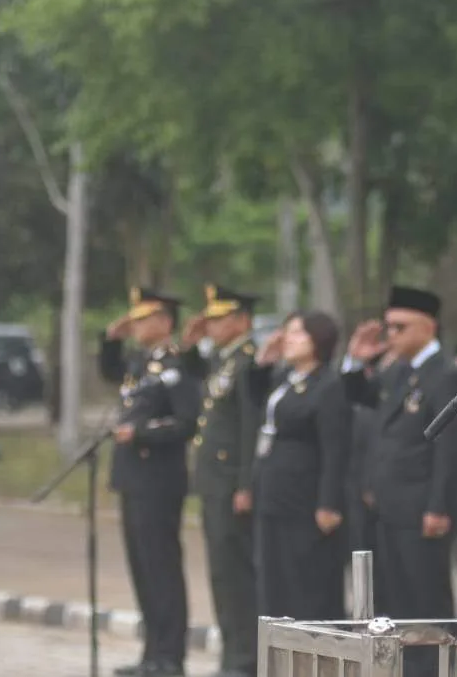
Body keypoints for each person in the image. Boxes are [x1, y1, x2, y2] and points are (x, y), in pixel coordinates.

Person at [342, 286, 457, 677]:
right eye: (388, 326)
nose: (390, 334)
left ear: (428, 326)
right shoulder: (397, 371)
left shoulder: (444, 374)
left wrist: (438, 506)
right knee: (393, 597)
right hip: (387, 505)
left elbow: (449, 449)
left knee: (425, 597)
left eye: (400, 327)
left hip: (420, 507)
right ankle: (404, 668)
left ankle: (434, 669)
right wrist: (355, 361)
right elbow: (361, 400)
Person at [99, 287, 202, 677]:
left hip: (159, 480)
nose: (137, 325)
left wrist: (140, 433)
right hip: (132, 478)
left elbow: (186, 421)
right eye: (135, 318)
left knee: (162, 569)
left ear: (164, 322)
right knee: (141, 568)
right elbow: (110, 372)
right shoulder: (140, 362)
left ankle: (170, 657)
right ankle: (150, 654)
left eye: (144, 319)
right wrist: (111, 337)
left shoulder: (177, 365)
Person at [180, 285, 264, 677]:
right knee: (220, 574)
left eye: (219, 318)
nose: (211, 324)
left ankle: (244, 660)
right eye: (209, 317)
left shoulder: (248, 361)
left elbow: (250, 426)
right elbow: (191, 369)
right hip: (214, 482)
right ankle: (232, 655)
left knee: (236, 576)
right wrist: (190, 343)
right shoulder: (222, 360)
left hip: (232, 484)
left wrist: (246, 482)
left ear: (242, 320)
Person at [251, 312, 352, 620]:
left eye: (297, 333)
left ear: (318, 340)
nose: (287, 339)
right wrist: (262, 364)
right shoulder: (285, 379)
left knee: (306, 585)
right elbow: (253, 400)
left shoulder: (328, 385)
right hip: (274, 494)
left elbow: (335, 449)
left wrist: (328, 503)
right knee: (274, 583)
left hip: (304, 498)